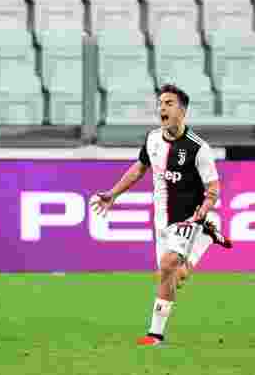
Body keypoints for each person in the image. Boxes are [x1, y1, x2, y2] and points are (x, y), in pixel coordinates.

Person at [90, 84, 229, 347]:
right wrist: (114, 193)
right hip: (162, 222)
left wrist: (203, 209)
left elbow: (213, 188)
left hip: (188, 218)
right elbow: (139, 169)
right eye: (161, 103)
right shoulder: (153, 139)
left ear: (182, 111)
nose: (162, 108)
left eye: (169, 103)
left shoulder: (198, 148)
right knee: (175, 275)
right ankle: (207, 238)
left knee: (167, 265)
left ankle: (154, 335)